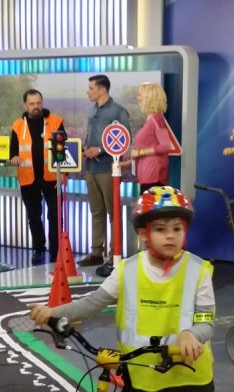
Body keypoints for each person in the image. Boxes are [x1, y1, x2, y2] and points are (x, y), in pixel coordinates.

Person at [31, 186, 216, 392]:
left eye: (177, 228)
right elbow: (94, 302)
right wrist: (54, 313)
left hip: (192, 376)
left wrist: (191, 334)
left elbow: (206, 321)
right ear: (143, 233)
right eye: (161, 229)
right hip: (147, 378)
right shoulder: (127, 270)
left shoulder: (198, 270)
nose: (170, 235)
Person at [80, 74, 130, 274]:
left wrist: (100, 150)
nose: (88, 91)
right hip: (91, 169)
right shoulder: (93, 109)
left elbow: (124, 138)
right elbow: (89, 135)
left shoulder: (118, 111)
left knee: (113, 212)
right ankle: (96, 252)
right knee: (96, 211)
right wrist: (85, 147)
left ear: (102, 90)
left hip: (108, 170)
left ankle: (114, 255)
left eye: (91, 88)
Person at [9, 89, 64, 264]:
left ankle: (56, 252)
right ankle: (38, 249)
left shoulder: (56, 122)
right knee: (34, 217)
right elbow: (13, 150)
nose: (36, 107)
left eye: (39, 103)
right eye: (32, 104)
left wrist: (65, 174)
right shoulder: (17, 125)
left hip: (52, 178)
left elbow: (64, 150)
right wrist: (14, 157)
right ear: (25, 105)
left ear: (42, 102)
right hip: (28, 178)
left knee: (55, 216)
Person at [129, 82, 173, 193]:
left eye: (140, 95)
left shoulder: (156, 119)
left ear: (148, 97)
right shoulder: (152, 119)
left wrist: (139, 152)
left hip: (153, 177)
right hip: (147, 176)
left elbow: (165, 146)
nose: (138, 98)